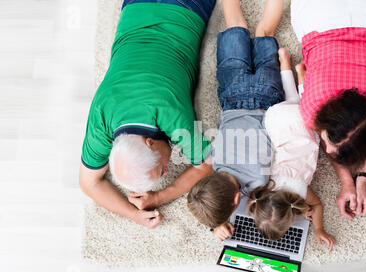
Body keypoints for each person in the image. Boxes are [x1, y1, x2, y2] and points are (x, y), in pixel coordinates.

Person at [78, 0, 217, 230]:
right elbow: (87, 183)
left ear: (150, 142)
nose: (167, 169)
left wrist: (160, 197)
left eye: (162, 167)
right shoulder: (102, 113)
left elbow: (207, 165)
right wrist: (133, 214)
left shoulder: (171, 113)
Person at [291, 0, 366, 219]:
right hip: (318, 18)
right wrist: (349, 181)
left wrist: (359, 181)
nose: (329, 152)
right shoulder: (312, 106)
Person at [214, 48, 336, 247]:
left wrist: (318, 228)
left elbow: (318, 205)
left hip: (303, 130)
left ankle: (296, 70)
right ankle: (286, 63)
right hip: (277, 118)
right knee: (291, 100)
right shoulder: (264, 183)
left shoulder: (300, 192)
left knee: (305, 106)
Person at [187, 0, 285, 234]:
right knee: (235, 25)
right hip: (233, 94)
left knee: (265, 32)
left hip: (266, 97)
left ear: (235, 202)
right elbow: (213, 188)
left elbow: (257, 206)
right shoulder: (216, 161)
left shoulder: (257, 184)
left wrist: (218, 225)